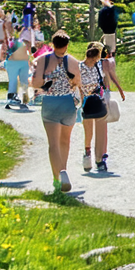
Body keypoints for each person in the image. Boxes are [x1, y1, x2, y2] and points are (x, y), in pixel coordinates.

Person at [31, 30, 81, 192]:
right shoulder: (72, 61)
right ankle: (64, 170)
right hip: (67, 103)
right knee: (65, 141)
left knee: (53, 143)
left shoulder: (42, 61)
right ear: (67, 45)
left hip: (50, 102)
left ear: (52, 44)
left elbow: (36, 83)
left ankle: (56, 178)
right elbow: (77, 82)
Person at [82, 44, 126, 173]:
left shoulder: (80, 65)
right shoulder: (103, 64)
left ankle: (88, 154)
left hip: (86, 101)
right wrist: (119, 89)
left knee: (89, 131)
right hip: (99, 99)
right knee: (101, 130)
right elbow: (110, 77)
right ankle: (99, 160)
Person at [4, 18, 37, 109]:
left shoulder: (29, 31)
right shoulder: (11, 29)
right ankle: (11, 98)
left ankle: (24, 99)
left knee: (24, 80)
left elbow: (30, 46)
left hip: (23, 60)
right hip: (12, 59)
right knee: (13, 79)